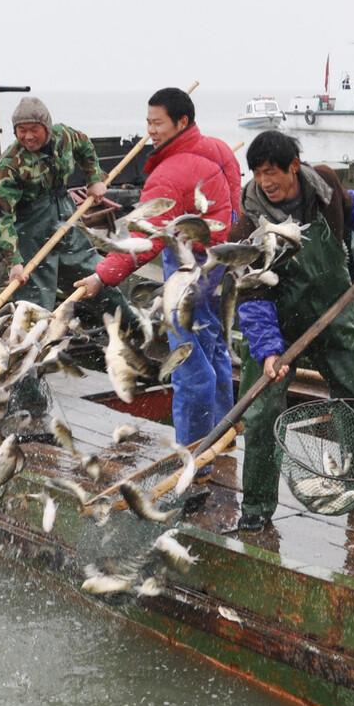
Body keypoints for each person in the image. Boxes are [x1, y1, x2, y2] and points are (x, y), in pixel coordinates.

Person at [230, 130, 354, 534]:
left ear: (294, 167)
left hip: (333, 313)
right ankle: (257, 506)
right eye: (258, 173)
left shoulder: (325, 189)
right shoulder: (249, 224)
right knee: (263, 410)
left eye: (272, 172)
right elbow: (251, 299)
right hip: (276, 324)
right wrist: (268, 351)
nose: (265, 182)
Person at [75, 87, 242, 454]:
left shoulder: (168, 174)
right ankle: (224, 436)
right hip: (221, 265)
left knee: (187, 363)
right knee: (214, 347)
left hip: (188, 271)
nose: (150, 130)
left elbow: (143, 240)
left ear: (181, 122)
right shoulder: (220, 149)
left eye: (157, 123)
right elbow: (235, 210)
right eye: (148, 122)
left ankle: (195, 453)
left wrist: (101, 276)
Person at [0, 97, 124, 313]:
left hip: (66, 212)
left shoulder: (64, 136)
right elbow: (1, 217)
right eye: (21, 130)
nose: (28, 136)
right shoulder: (8, 166)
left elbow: (85, 147)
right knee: (36, 291)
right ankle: (34, 341)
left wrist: (94, 178)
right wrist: (13, 262)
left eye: (34, 128)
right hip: (31, 227)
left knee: (90, 268)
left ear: (47, 127)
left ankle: (125, 321)